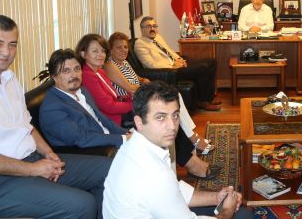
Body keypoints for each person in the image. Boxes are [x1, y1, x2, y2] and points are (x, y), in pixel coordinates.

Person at [0, 15, 112, 218]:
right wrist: (33, 169)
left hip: (30, 160)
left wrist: (49, 154)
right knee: (83, 204)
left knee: (110, 169)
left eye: (12, 45)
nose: (6, 52)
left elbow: (27, 126)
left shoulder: (9, 79)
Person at [40, 48, 218, 179]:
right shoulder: (53, 107)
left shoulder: (82, 91)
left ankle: (175, 177)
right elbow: (82, 139)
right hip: (96, 151)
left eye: (76, 69)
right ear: (54, 76)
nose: (74, 74)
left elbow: (102, 120)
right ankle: (177, 177)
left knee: (165, 126)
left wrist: (124, 133)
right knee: (159, 130)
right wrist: (123, 138)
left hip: (111, 136)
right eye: (66, 71)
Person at [103, 81, 252, 219]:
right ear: (139, 122)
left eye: (175, 115)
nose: (172, 126)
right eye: (160, 117)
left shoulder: (133, 146)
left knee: (240, 213)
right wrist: (228, 210)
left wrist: (216, 197)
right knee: (241, 215)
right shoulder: (154, 174)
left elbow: (173, 191)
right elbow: (163, 185)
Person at [105, 31, 214, 154]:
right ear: (111, 50)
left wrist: (143, 80)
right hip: (134, 103)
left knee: (175, 96)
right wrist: (145, 86)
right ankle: (194, 138)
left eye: (125, 47)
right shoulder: (110, 66)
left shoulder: (124, 62)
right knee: (173, 98)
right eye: (119, 47)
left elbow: (137, 78)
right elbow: (131, 89)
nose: (123, 50)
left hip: (139, 96)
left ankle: (193, 137)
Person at [134, 16, 220, 111]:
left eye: (154, 26)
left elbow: (169, 50)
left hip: (176, 65)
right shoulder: (140, 44)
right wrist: (172, 66)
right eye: (149, 26)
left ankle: (209, 98)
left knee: (211, 61)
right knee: (203, 67)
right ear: (142, 29)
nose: (152, 29)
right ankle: (203, 102)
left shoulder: (157, 37)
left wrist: (179, 59)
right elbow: (151, 65)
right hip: (170, 72)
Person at [77, 33, 133, 126]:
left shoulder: (100, 71)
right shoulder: (87, 75)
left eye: (103, 51)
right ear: (83, 54)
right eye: (95, 51)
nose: (101, 55)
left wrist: (132, 98)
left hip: (118, 114)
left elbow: (115, 97)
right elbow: (109, 107)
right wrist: (134, 105)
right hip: (110, 122)